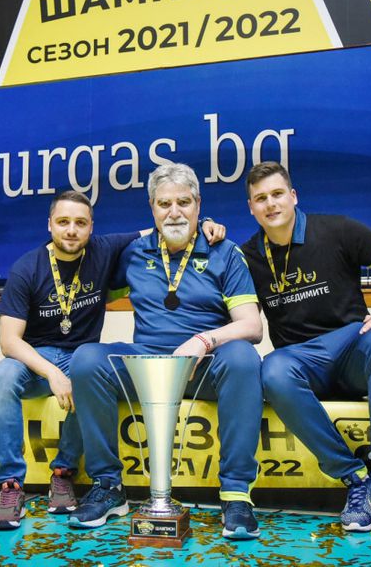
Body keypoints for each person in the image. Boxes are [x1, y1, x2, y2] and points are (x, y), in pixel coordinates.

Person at [0, 190, 225, 530]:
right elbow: (9, 341)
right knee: (3, 377)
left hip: (79, 354)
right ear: (50, 224)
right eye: (63, 222)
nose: (72, 230)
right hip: (35, 358)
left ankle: (63, 473)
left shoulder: (104, 249)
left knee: (88, 371)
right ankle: (10, 486)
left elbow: (163, 225)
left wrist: (205, 223)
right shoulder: (27, 267)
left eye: (80, 223)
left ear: (91, 227)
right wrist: (52, 373)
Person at [68, 163, 265, 539]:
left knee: (242, 358)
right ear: (152, 208)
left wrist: (203, 340)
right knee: (87, 359)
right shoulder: (133, 253)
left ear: (198, 205)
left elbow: (252, 326)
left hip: (204, 366)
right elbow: (89, 286)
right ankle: (108, 487)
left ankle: (236, 495)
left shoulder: (225, 252)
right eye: (164, 204)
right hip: (148, 364)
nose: (174, 212)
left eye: (184, 202)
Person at [240, 162, 371, 550]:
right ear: (251, 208)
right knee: (272, 369)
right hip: (300, 360)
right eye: (261, 198)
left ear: (293, 196)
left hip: (353, 345)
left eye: (277, 194)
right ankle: (355, 479)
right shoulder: (246, 256)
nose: (271, 204)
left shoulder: (339, 229)